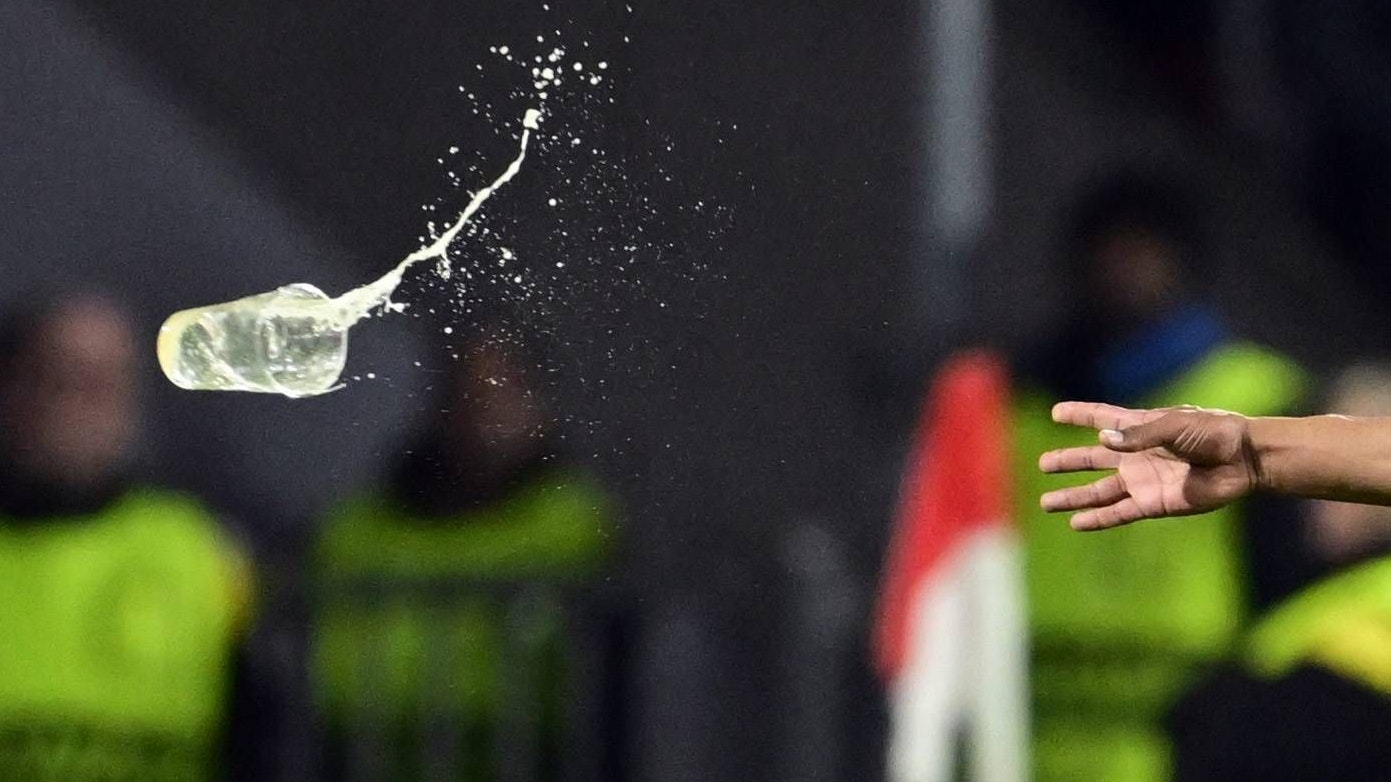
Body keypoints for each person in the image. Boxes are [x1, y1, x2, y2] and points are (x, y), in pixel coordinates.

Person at [1009, 172, 1308, 782]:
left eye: (1141, 250)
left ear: (1183, 263)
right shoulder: (1015, 401)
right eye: (1108, 249)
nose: (1120, 269)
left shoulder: (1258, 396)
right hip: (1026, 721)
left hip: (1186, 721)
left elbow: (1290, 571)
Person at [312, 328, 614, 782]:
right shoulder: (361, 523)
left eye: (506, 389)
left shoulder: (570, 516)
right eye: (470, 390)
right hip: (379, 755)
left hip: (517, 755)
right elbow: (336, 669)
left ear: (539, 403)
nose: (486, 411)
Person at [0, 293, 255, 782]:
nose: (82, 407)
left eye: (105, 384)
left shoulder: (202, 552)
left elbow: (266, 737)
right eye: (60, 379)